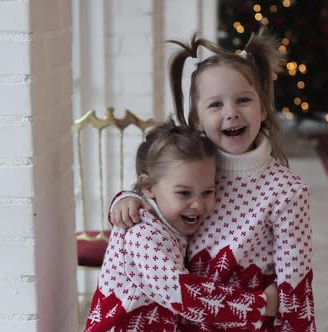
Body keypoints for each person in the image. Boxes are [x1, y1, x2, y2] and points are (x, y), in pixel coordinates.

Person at [111, 29, 316, 331]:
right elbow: (153, 188)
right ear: (196, 119)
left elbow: (295, 287)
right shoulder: (190, 166)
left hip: (248, 323)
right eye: (216, 105)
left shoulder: (286, 191)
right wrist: (128, 199)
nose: (231, 113)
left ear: (263, 107)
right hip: (184, 317)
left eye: (243, 100)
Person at [85, 119, 279, 332]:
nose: (197, 205)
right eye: (184, 193)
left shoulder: (168, 222)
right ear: (148, 186)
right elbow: (183, 295)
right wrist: (259, 305)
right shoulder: (141, 233)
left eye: (207, 192)